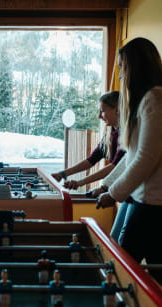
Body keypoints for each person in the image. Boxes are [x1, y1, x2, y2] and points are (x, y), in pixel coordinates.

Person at [97, 37, 162, 283]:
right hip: (144, 202)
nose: (121, 76)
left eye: (123, 68)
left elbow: (146, 158)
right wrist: (107, 187)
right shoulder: (146, 100)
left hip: (152, 206)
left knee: (119, 268)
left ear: (136, 67)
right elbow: (132, 155)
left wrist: (114, 193)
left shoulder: (154, 99)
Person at [52, 91, 125, 190]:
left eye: (102, 111)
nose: (99, 116)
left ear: (117, 110)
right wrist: (63, 174)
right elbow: (91, 160)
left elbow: (114, 167)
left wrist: (80, 182)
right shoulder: (110, 133)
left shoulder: (126, 135)